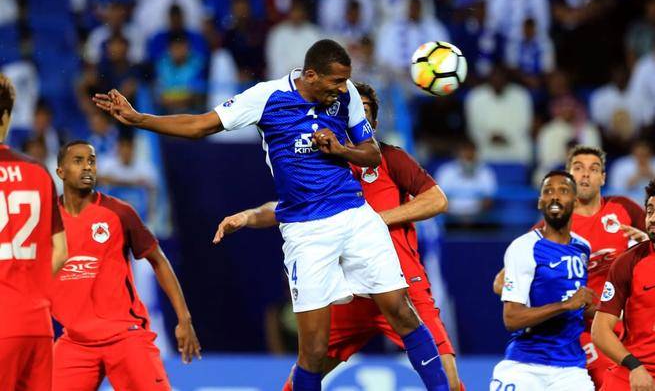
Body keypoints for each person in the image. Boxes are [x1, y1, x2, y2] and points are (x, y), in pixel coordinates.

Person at [93, 39, 450, 391]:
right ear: (310, 75)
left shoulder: (347, 97)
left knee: (403, 313)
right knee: (312, 350)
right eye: (336, 82)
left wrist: (341, 149)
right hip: (307, 232)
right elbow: (202, 125)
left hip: (355, 216)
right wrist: (140, 119)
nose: (343, 89)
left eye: (345, 82)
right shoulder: (266, 97)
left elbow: (372, 154)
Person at [213, 82, 464, 391]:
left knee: (449, 382)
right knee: (303, 374)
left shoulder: (391, 158)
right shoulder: (319, 164)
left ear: (371, 122)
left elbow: (437, 200)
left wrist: (376, 220)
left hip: (401, 285)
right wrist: (250, 216)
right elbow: (288, 206)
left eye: (367, 112)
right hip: (351, 290)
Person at [51, 140, 201, 390]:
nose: (87, 167)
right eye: (78, 161)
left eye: (91, 161)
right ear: (60, 172)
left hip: (125, 335)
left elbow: (159, 261)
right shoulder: (46, 217)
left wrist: (184, 318)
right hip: (75, 341)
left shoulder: (119, 213)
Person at [494, 145, 647, 388]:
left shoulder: (624, 209)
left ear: (603, 178)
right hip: (583, 331)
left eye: (593, 169)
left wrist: (647, 241)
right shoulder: (549, 230)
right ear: (569, 178)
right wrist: (561, 305)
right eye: (578, 168)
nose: (586, 174)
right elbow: (501, 284)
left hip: (629, 324)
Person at [491, 171, 596, 390]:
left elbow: (578, 307)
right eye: (548, 191)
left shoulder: (583, 248)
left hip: (571, 370)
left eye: (563, 191)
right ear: (540, 202)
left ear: (575, 202)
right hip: (525, 365)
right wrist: (566, 305)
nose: (555, 196)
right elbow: (511, 318)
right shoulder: (524, 247)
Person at [0, 74, 68, 390]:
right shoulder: (38, 172)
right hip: (38, 323)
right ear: (7, 117)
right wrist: (34, 290)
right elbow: (61, 250)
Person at [591, 179, 655, 390]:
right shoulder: (629, 261)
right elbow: (600, 330)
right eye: (650, 211)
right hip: (635, 371)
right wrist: (634, 367)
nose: (652, 218)